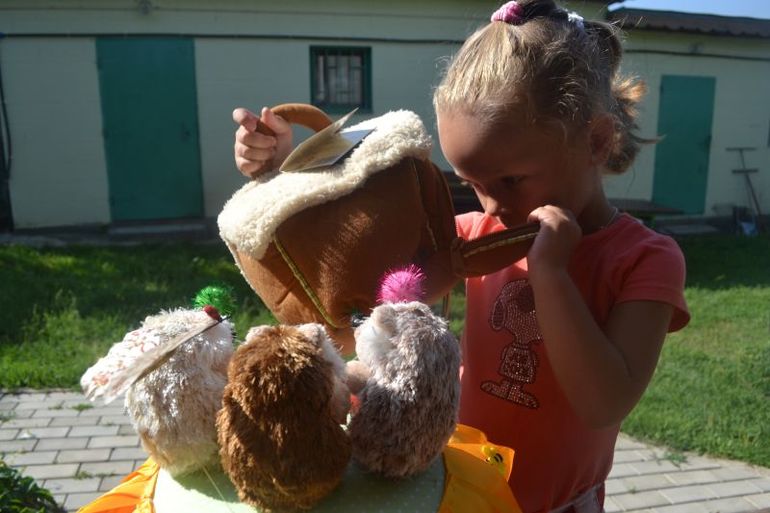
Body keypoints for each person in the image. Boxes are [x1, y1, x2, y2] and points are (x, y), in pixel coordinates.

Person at [230, 1, 690, 511]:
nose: (490, 206)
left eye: (511, 180)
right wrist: (288, 176)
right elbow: (355, 314)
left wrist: (551, 273)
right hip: (457, 491)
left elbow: (603, 402)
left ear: (597, 141)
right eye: (471, 183)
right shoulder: (472, 238)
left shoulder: (645, 259)